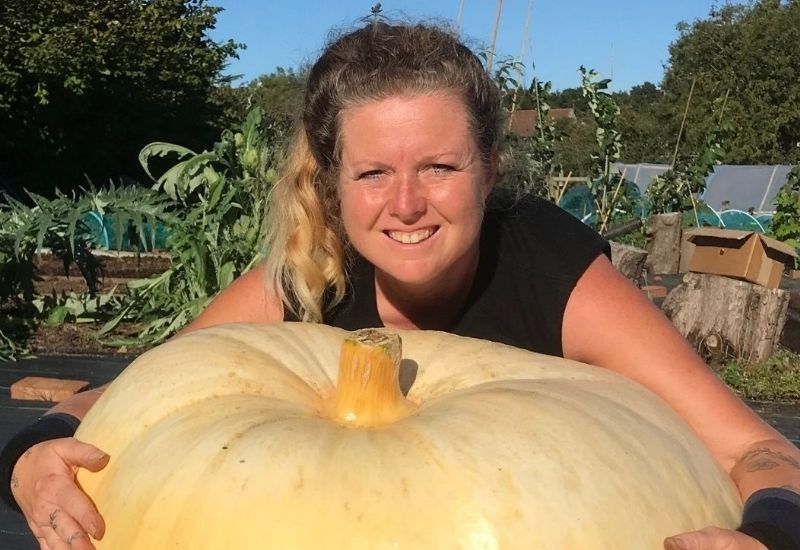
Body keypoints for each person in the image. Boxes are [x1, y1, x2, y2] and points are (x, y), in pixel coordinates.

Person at [2, 21, 799, 550]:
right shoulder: (309, 274)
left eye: (441, 167)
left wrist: (766, 534)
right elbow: (140, 393)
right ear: (334, 183)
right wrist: (28, 457)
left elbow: (759, 449)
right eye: (375, 172)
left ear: (489, 170)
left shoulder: (549, 270)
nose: (407, 204)